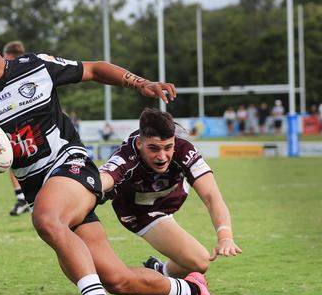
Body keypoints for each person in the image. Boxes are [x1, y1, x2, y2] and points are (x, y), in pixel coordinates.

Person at [0, 11, 223, 295]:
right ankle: (194, 292)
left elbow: (93, 69)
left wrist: (139, 83)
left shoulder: (35, 67)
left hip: (71, 167)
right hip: (41, 194)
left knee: (46, 220)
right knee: (118, 279)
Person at [99, 108, 242, 279]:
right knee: (201, 262)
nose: (162, 156)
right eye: (154, 149)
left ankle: (159, 271)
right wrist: (95, 187)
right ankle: (146, 276)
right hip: (140, 213)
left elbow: (212, 197)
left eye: (168, 147)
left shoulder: (184, 149)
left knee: (198, 262)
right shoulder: (126, 155)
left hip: (171, 199)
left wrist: (225, 236)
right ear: (139, 144)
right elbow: (103, 178)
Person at [3, 40, 31, 216]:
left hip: (20, 124)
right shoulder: (30, 67)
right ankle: (24, 197)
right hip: (32, 124)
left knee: (15, 161)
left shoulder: (10, 72)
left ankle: (23, 198)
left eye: (4, 55)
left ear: (10, 56)